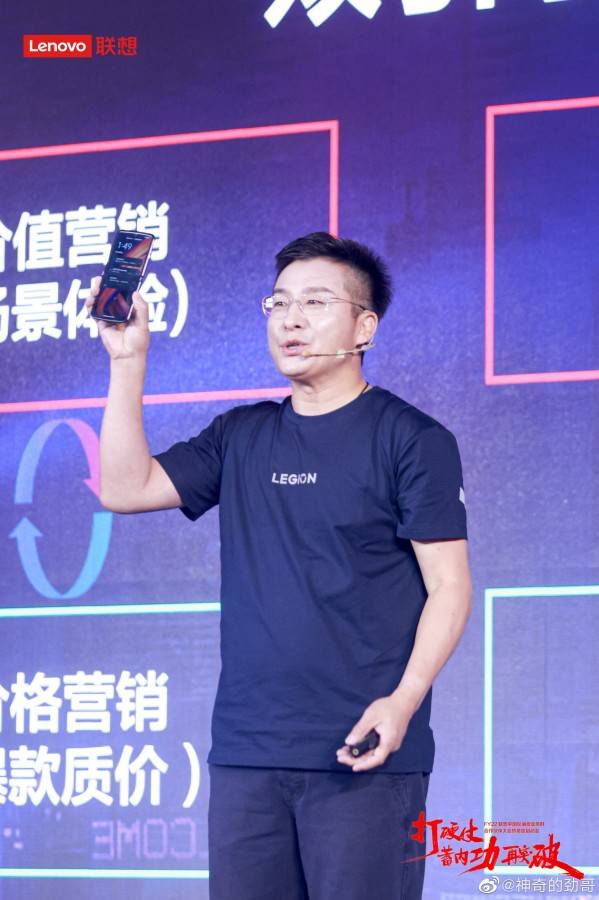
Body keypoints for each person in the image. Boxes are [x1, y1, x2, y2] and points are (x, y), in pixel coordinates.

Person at [89, 231, 472, 900]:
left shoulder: (412, 439)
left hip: (365, 755)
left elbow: (449, 586)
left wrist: (404, 700)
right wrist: (128, 361)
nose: (290, 320)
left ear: (364, 327)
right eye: (279, 302)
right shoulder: (241, 434)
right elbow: (124, 488)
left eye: (315, 302)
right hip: (248, 755)